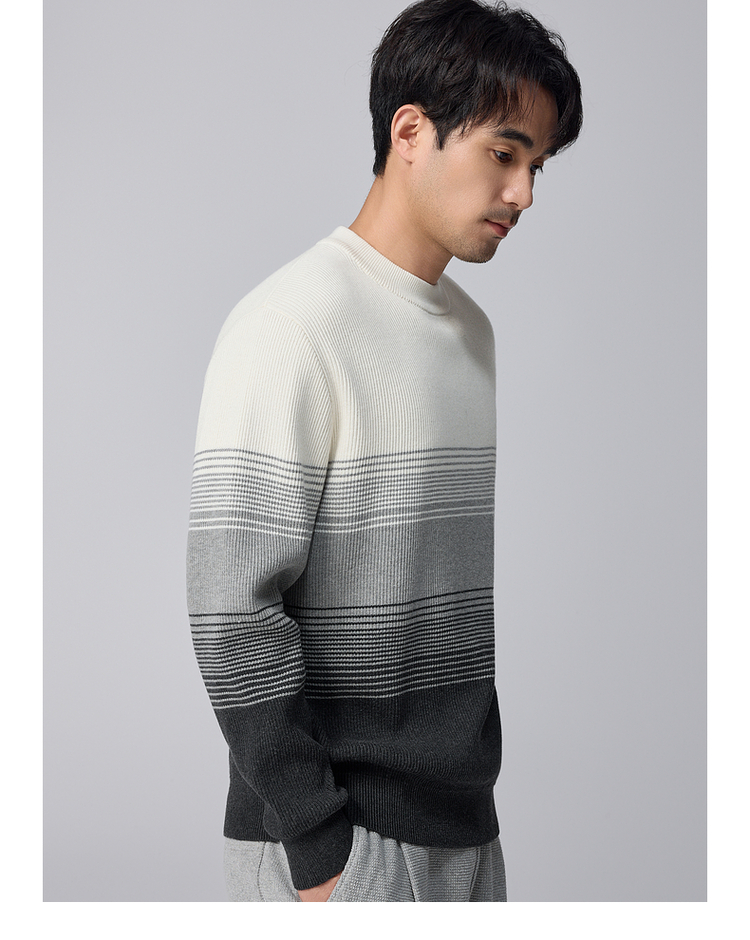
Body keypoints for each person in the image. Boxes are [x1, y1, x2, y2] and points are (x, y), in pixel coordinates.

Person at [187, 0, 582, 902]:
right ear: (411, 132)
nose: (524, 193)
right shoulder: (291, 322)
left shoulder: (471, 334)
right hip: (338, 849)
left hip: (466, 834)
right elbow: (229, 606)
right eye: (504, 153)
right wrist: (321, 849)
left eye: (537, 165)